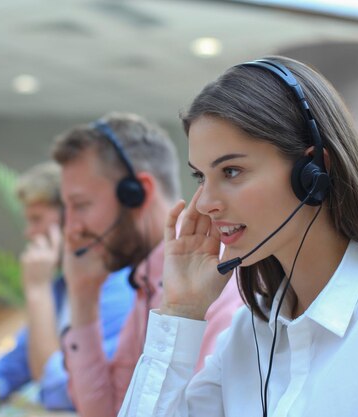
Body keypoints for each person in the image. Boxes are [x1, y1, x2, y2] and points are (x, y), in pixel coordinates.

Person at [118, 56, 358, 417]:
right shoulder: (248, 332)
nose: (204, 204)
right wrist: (182, 310)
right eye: (201, 177)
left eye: (231, 171)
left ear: (313, 173)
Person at [52, 113, 243, 417]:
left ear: (137, 193)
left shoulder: (212, 279)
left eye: (81, 205)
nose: (70, 228)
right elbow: (109, 409)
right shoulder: (147, 279)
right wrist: (82, 294)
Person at [0, 161, 135, 410]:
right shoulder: (62, 288)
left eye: (37, 219)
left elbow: (60, 389)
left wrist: (37, 291)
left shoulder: (123, 290)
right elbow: (11, 368)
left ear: (71, 218)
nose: (28, 233)